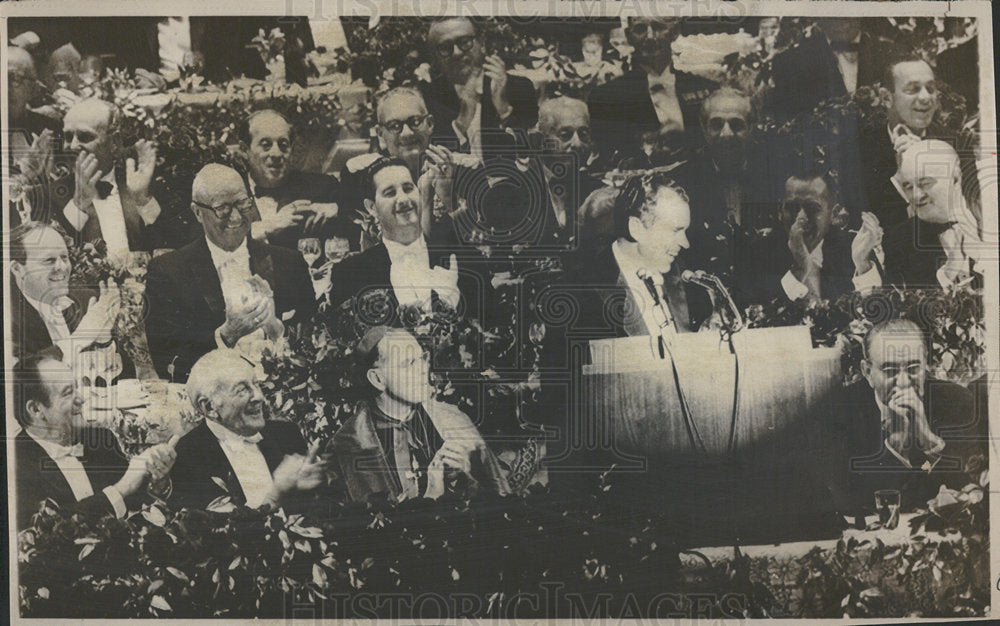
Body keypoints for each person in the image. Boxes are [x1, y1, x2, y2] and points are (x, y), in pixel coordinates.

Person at [145, 164, 316, 383]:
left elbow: (316, 343)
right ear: (197, 212)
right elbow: (165, 361)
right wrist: (226, 335)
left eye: (243, 204)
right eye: (223, 208)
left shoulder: (290, 262)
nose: (236, 217)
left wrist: (277, 330)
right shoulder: (168, 271)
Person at [331, 326, 510, 502]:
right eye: (408, 363)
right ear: (378, 379)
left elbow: (501, 500)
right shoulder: (347, 445)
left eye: (422, 358)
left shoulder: (454, 419)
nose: (424, 368)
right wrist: (432, 495)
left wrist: (460, 480)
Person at [13, 353, 178, 530]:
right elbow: (51, 532)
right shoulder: (15, 467)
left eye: (76, 388)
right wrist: (121, 488)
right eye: (68, 393)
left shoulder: (98, 437)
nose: (82, 399)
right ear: (36, 409)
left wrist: (157, 480)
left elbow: (139, 502)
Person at [836, 319, 986, 511]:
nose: (904, 382)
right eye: (889, 371)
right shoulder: (841, 409)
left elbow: (966, 486)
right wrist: (897, 446)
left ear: (926, 364)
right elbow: (854, 499)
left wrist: (928, 440)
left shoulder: (956, 400)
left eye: (913, 368)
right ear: (867, 372)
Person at [328, 157, 485, 322]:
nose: (403, 199)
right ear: (372, 208)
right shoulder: (350, 273)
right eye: (390, 193)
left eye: (408, 189)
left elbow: (495, 329)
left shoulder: (465, 259)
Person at [168, 349, 325, 511]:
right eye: (242, 390)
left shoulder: (286, 433)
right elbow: (223, 531)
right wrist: (277, 493)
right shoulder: (186, 458)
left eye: (256, 384)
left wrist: (312, 489)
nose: (259, 397)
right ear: (209, 407)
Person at [563, 173, 713, 341]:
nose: (686, 243)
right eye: (675, 230)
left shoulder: (685, 275)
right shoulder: (579, 295)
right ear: (636, 228)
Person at [58, 99, 187, 254]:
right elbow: (50, 252)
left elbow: (177, 246)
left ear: (114, 141)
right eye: (67, 137)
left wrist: (142, 201)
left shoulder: (145, 185)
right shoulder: (48, 195)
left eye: (85, 137)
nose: (72, 146)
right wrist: (78, 205)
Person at [852, 139, 983, 290]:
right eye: (908, 187)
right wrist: (947, 274)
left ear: (955, 178)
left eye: (925, 183)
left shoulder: (989, 217)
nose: (916, 195)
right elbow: (898, 306)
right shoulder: (900, 240)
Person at [587, 17, 718, 163]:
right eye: (640, 29)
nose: (650, 37)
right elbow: (606, 161)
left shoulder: (707, 90)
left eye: (659, 27)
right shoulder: (606, 98)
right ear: (629, 36)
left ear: (675, 32)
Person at [10, 222, 126, 375]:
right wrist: (80, 338)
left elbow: (123, 382)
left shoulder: (86, 300)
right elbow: (19, 382)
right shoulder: (8, 317)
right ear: (18, 269)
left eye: (64, 257)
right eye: (49, 260)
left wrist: (103, 341)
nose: (62, 267)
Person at [241, 109, 357, 253]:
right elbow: (215, 242)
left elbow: (365, 222)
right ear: (244, 150)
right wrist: (269, 226)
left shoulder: (322, 187)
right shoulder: (228, 194)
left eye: (283, 145)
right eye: (266, 145)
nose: (276, 153)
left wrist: (338, 209)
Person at [420, 17, 539, 157]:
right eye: (445, 47)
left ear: (481, 43)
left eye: (464, 42)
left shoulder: (518, 88)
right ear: (436, 56)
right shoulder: (428, 97)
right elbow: (430, 155)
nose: (457, 52)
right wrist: (462, 122)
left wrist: (504, 110)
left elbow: (532, 153)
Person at [734, 170, 854, 306]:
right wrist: (799, 270)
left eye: (812, 208)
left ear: (833, 214)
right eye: (792, 207)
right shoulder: (755, 255)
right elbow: (751, 313)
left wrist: (865, 265)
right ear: (780, 211)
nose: (800, 217)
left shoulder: (849, 251)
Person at [857, 53, 942, 230]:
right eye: (913, 89)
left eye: (931, 89)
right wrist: (900, 177)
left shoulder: (956, 142)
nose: (926, 97)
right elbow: (867, 223)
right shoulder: (860, 149)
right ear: (886, 98)